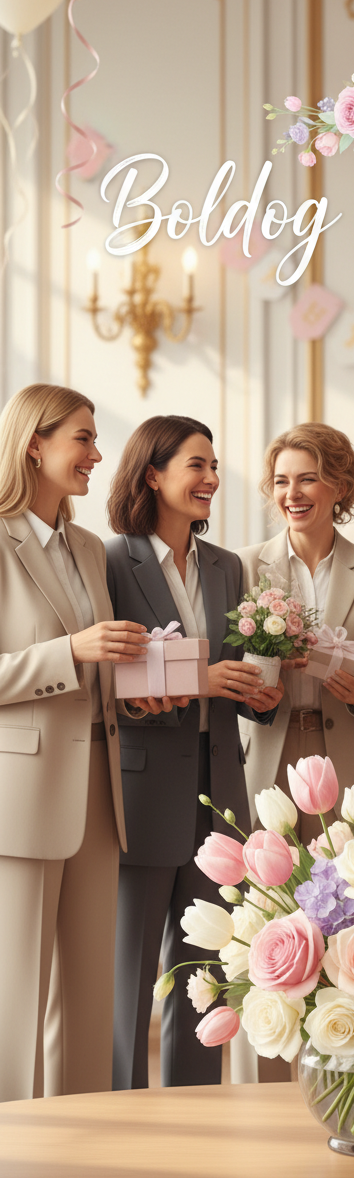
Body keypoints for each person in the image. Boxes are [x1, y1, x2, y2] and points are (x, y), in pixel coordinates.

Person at [106, 415, 283, 1090]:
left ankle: (192, 1115)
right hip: (143, 791)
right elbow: (113, 677)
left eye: (213, 467)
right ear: (153, 473)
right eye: (196, 465)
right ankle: (117, 1117)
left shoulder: (225, 566)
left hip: (220, 792)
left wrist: (251, 693)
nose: (211, 479)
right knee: (128, 980)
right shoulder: (111, 559)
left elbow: (230, 671)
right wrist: (199, 682)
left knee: (207, 979)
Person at [231, 421, 354, 1086]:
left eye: (307, 478)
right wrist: (259, 690)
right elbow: (231, 671)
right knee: (268, 923)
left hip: (350, 762)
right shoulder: (245, 565)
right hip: (269, 755)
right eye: (281, 481)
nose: (292, 493)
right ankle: (268, 1090)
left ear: (339, 486)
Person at [0, 384, 146, 1103]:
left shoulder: (89, 547)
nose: (96, 454)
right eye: (82, 439)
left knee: (90, 1002)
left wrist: (138, 688)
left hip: (100, 788)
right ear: (35, 443)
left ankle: (83, 1151)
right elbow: (66, 657)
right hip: (22, 798)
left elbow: (100, 664)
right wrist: (71, 652)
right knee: (16, 1003)